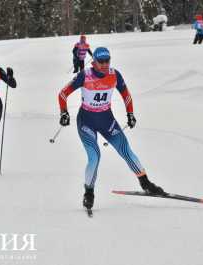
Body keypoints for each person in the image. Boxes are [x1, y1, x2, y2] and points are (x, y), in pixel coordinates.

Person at [58, 47, 166, 210]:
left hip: (107, 120)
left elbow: (126, 95)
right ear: (93, 62)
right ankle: (89, 192)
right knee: (94, 157)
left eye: (107, 61)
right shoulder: (84, 75)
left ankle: (145, 183)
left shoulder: (114, 75)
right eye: (100, 61)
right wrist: (64, 112)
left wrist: (130, 114)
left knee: (125, 150)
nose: (104, 64)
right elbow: (62, 94)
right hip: (86, 121)